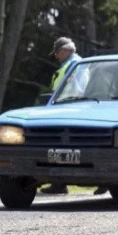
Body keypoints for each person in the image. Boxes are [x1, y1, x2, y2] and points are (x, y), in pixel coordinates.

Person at [40, 37, 85, 195]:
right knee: (59, 147)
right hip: (63, 108)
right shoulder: (70, 65)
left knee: (60, 146)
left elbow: (77, 89)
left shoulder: (75, 65)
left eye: (57, 53)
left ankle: (59, 183)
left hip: (68, 110)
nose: (56, 56)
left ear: (64, 51)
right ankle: (58, 183)